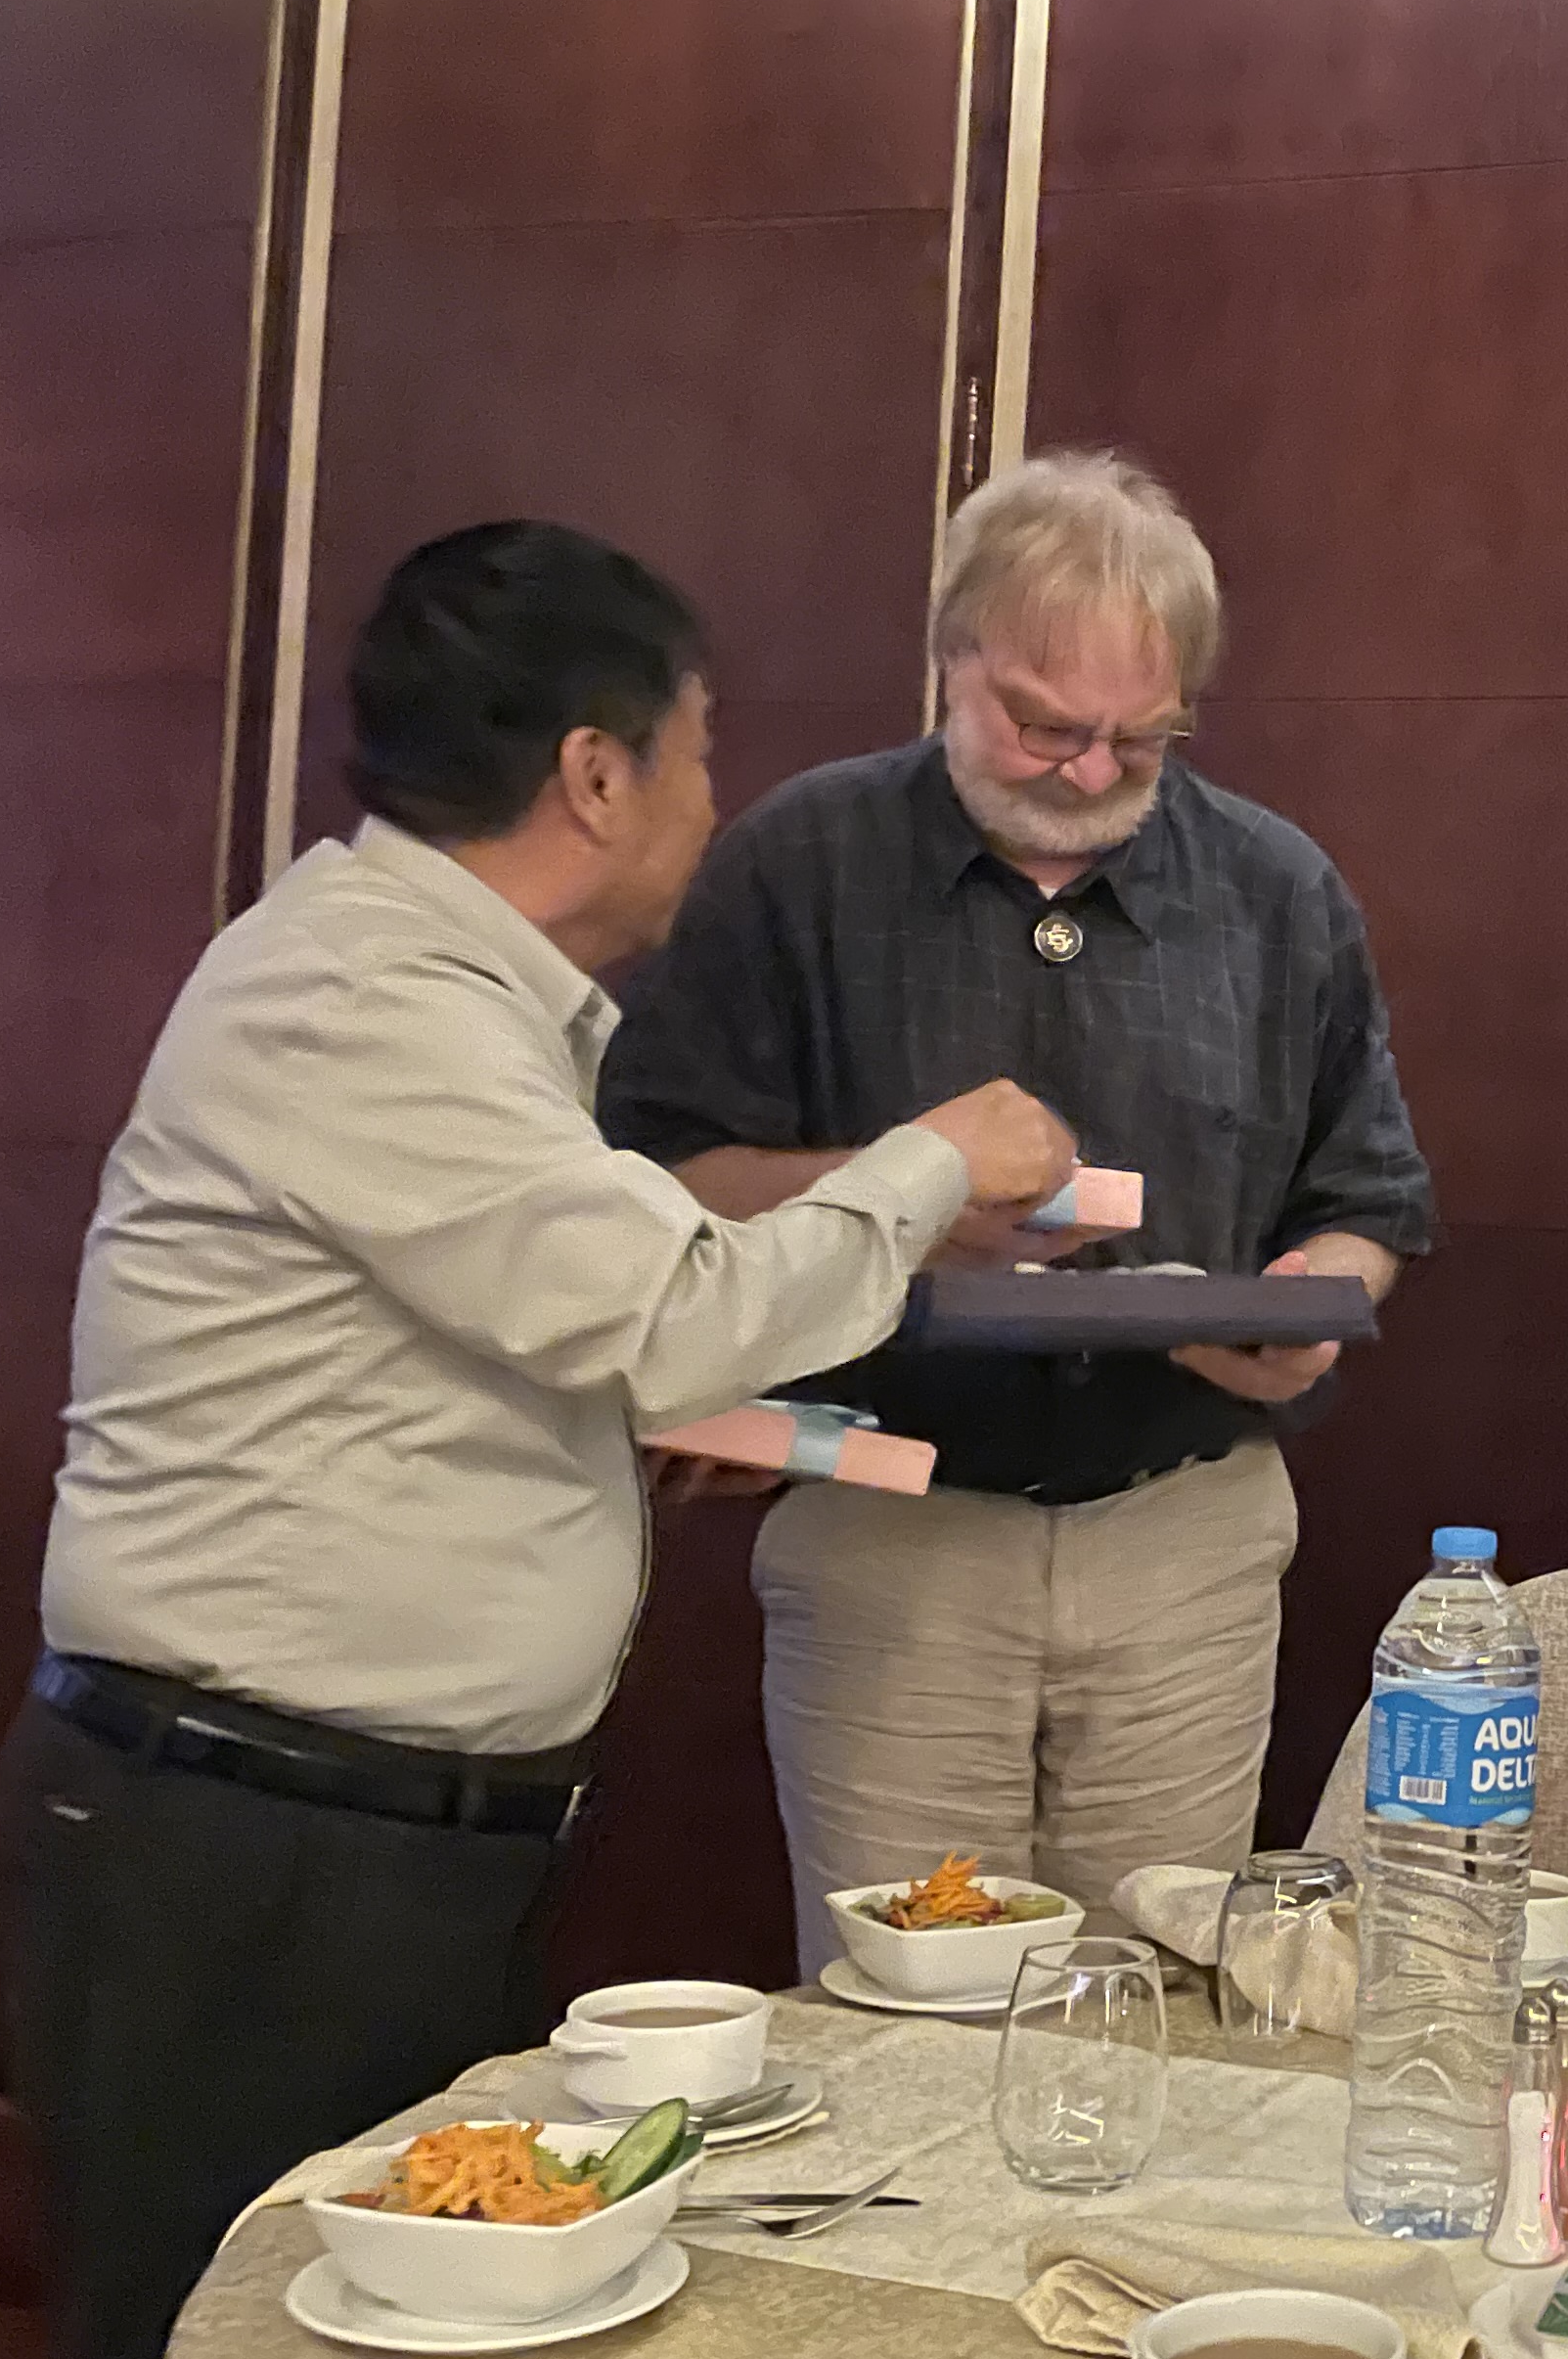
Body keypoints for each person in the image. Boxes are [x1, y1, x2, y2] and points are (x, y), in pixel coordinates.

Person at [0, 522, 1071, 2359]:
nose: (709, 798)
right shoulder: (363, 998)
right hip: (245, 1844)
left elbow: (524, 1337)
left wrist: (653, 1426)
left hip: (364, 1843)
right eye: (698, 749)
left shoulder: (458, 1004)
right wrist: (936, 1161)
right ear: (596, 769)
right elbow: (667, 1309)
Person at [598, 451, 1433, 1964]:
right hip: (892, 1522)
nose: (1093, 773)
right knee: (902, 1997)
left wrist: (1311, 1309)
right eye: (1045, 725)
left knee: (1157, 1997)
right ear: (951, 655)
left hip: (1186, 1529)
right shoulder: (798, 862)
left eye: (1142, 737)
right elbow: (664, 1178)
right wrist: (905, 1184)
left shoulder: (1274, 888)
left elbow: (1369, 1191)